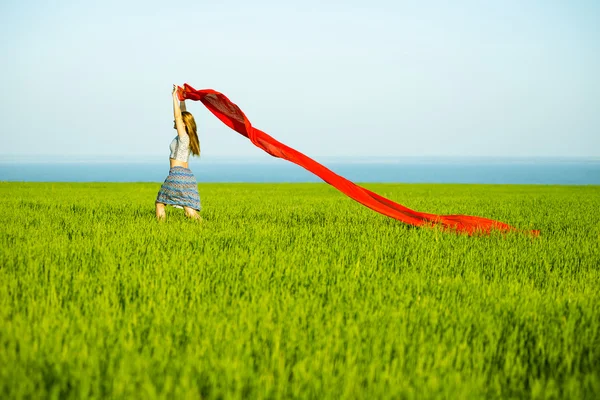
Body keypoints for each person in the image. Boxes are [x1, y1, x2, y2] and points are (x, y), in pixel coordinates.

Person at [155, 85, 202, 221]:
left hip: (176, 174)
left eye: (179, 121)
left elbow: (177, 115)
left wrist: (174, 96)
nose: (175, 121)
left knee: (160, 203)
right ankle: (204, 227)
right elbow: (182, 113)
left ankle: (160, 229)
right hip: (187, 176)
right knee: (188, 209)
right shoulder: (188, 137)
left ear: (184, 124)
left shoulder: (183, 137)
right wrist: (182, 99)